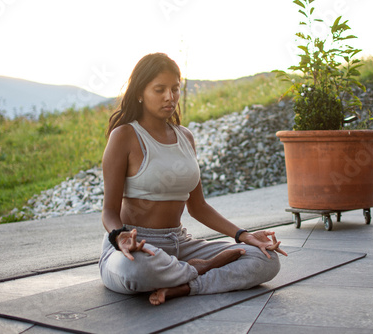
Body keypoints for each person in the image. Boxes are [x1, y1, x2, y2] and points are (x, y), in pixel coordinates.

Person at [99, 53, 287, 306]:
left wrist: (243, 235)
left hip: (179, 243)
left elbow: (198, 207)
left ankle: (188, 286)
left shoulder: (185, 137)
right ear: (140, 93)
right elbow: (109, 211)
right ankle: (199, 269)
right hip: (136, 247)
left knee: (266, 260)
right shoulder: (124, 136)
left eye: (175, 89)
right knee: (136, 272)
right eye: (160, 89)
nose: (170, 97)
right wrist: (120, 236)